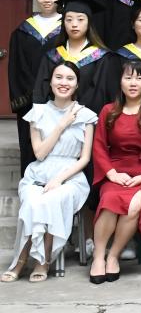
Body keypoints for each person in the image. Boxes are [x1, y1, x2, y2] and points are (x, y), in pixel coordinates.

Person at [1, 63, 97, 284]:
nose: (64, 83)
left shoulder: (86, 115)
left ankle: (41, 261)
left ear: (77, 84)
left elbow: (84, 159)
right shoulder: (38, 112)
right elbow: (40, 153)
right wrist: (61, 125)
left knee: (52, 200)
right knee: (32, 201)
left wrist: (59, 180)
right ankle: (20, 260)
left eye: (70, 78)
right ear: (51, 82)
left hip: (71, 177)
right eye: (59, 77)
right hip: (38, 172)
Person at [90, 61, 141, 284]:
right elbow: (99, 146)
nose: (133, 83)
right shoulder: (108, 111)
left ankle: (113, 255)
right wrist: (112, 174)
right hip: (116, 171)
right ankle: (98, 256)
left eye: (139, 78)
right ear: (120, 82)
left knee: (136, 203)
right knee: (109, 200)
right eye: (128, 78)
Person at [10, 0, 65, 175]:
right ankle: (29, 183)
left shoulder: (67, 26)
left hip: (60, 98)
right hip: (30, 100)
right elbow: (16, 68)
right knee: (30, 146)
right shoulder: (23, 30)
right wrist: (31, 96)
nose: (47, 0)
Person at [34, 0, 114, 116]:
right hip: (54, 118)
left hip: (89, 118)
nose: (74, 24)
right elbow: (41, 90)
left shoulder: (101, 57)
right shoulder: (52, 56)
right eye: (69, 19)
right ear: (63, 23)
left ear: (89, 23)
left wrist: (80, 114)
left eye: (80, 19)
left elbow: (100, 92)